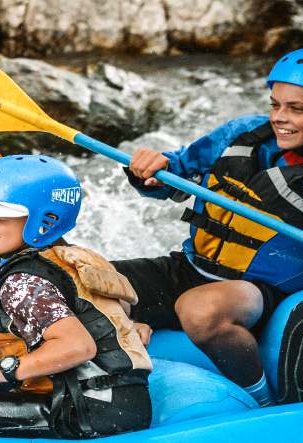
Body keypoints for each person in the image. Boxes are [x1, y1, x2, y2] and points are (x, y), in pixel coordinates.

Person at [112, 48, 303, 407]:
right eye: (275, 104)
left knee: (200, 309)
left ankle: (261, 402)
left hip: (258, 292)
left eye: (297, 109)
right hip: (190, 267)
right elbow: (174, 176)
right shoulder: (242, 134)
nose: (281, 118)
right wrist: (152, 171)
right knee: (76, 278)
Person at [0, 155, 153, 438]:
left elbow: (79, 347)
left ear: (46, 218)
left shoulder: (22, 281)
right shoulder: (72, 257)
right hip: (127, 399)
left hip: (90, 407)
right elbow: (113, 317)